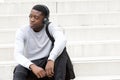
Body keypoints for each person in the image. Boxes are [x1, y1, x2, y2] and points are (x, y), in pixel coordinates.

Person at [13, 4, 75, 80]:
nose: (32, 19)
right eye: (30, 16)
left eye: (36, 17)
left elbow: (62, 40)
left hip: (48, 65)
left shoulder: (50, 27)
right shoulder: (22, 31)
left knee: (62, 50)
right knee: (19, 69)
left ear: (45, 20)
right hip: (32, 65)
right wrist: (32, 66)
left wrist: (51, 59)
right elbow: (17, 54)